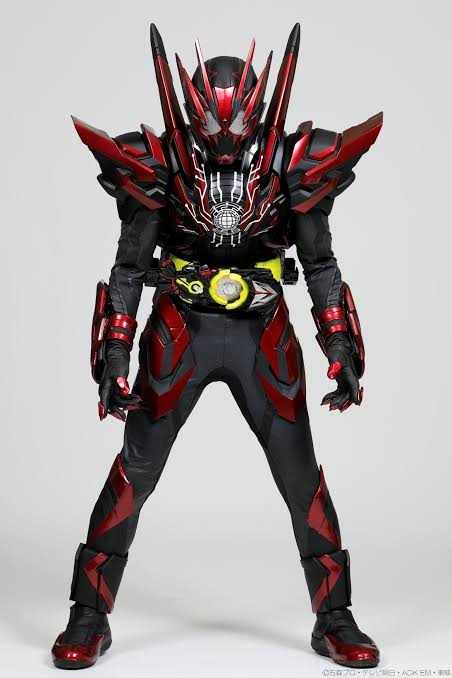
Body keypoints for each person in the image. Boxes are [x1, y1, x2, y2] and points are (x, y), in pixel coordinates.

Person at [52, 23, 383, 669]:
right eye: (209, 118)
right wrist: (114, 355)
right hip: (180, 331)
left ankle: (335, 618)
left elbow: (319, 263)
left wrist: (340, 345)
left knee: (300, 477)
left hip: (265, 335)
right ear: (192, 108)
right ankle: (88, 616)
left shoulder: (292, 161)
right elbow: (129, 268)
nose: (223, 134)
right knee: (136, 472)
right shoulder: (160, 161)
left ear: (257, 108)